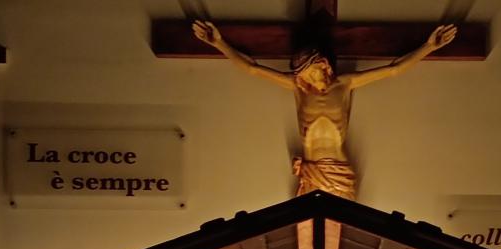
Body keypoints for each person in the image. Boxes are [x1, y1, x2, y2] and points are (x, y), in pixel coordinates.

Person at [192, 20, 457, 199]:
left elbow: (394, 70)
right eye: (306, 73)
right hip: (311, 171)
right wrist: (219, 43)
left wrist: (429, 47)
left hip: (339, 171)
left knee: (344, 229)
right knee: (307, 232)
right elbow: (253, 69)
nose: (311, 77)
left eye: (314, 70)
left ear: (324, 65)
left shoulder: (345, 84)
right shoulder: (298, 88)